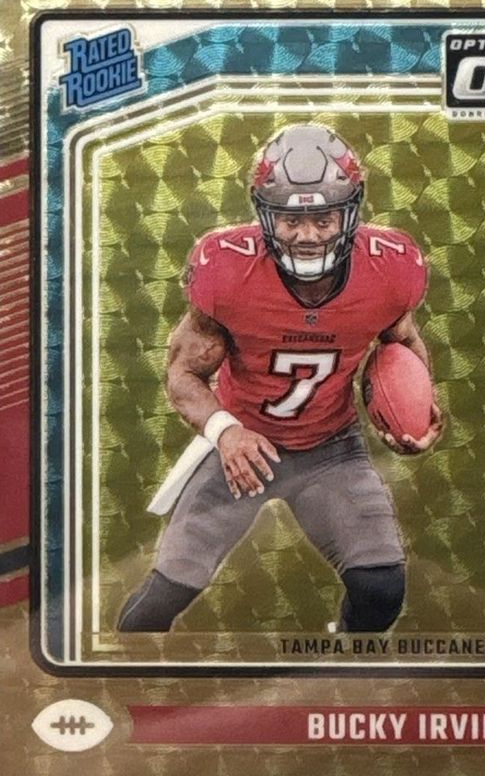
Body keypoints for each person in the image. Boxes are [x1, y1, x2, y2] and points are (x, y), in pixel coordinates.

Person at [118, 124, 442, 633]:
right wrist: (226, 432)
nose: (307, 235)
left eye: (323, 218)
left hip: (330, 448)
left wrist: (414, 412)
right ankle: (115, 674)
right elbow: (183, 373)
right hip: (242, 452)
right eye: (291, 219)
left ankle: (336, 663)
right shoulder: (227, 271)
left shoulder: (390, 269)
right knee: (161, 600)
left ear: (351, 212)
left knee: (381, 589)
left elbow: (400, 342)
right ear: (265, 213)